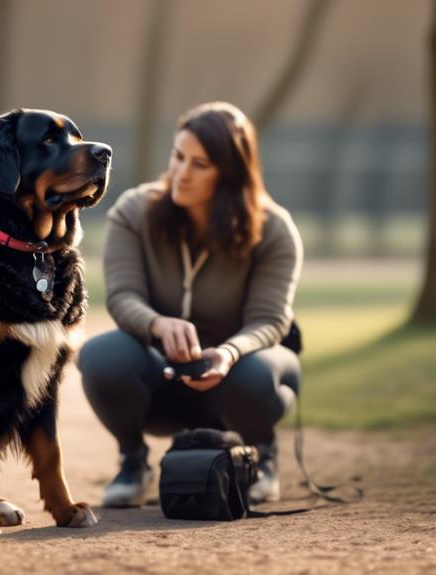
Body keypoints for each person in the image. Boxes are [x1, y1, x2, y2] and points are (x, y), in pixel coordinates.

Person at [78, 101, 303, 508]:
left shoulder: (274, 229)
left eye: (200, 164)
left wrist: (230, 353)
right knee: (100, 356)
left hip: (237, 382)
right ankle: (133, 462)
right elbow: (122, 297)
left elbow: (270, 321)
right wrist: (159, 325)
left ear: (231, 173)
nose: (181, 173)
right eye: (178, 156)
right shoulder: (134, 210)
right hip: (162, 374)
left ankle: (263, 458)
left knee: (255, 371)